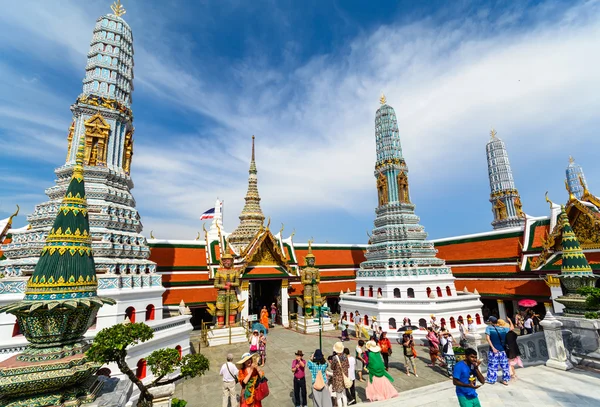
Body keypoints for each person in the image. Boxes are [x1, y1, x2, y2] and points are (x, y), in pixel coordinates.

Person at [485, 316, 512, 385]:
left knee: (493, 366)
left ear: (491, 322)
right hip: (502, 350)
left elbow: (488, 339)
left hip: (494, 350)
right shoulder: (503, 329)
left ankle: (492, 380)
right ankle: (505, 380)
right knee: (505, 366)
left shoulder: (489, 328)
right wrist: (510, 321)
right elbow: (512, 328)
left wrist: (493, 347)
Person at [330, 342, 350, 407]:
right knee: (344, 394)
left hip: (337, 379)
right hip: (344, 377)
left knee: (338, 396)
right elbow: (348, 365)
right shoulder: (345, 356)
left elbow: (332, 367)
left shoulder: (335, 358)